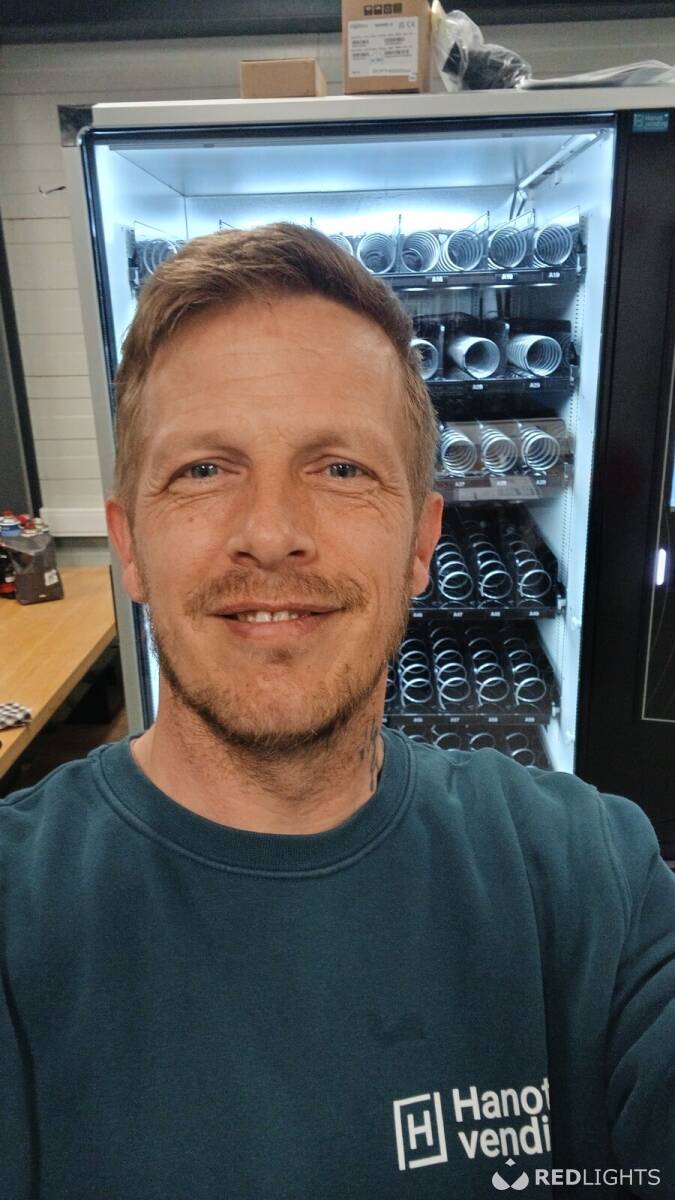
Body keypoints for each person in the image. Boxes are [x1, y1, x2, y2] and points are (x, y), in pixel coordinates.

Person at [1, 224, 673, 1200]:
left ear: (421, 543)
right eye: (203, 470)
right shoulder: (20, 920)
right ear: (130, 546)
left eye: (342, 469)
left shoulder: (589, 877)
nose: (272, 534)